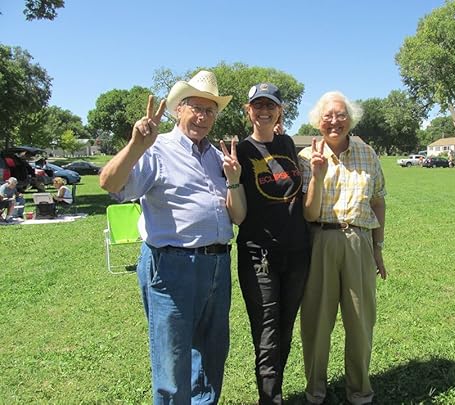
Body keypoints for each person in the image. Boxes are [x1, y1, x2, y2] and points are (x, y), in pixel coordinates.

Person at [99, 70, 240, 405]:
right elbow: (110, 183)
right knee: (172, 360)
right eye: (196, 108)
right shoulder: (156, 149)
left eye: (210, 110)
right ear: (179, 109)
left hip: (217, 265)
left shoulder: (216, 157)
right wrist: (136, 145)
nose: (203, 117)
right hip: (172, 265)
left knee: (211, 356)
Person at [220, 83, 310, 404]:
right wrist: (233, 179)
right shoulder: (241, 152)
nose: (264, 111)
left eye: (270, 105)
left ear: (280, 111)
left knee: (285, 327)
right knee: (268, 331)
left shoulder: (287, 143)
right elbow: (239, 216)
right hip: (259, 254)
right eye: (257, 105)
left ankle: (274, 392)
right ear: (248, 111)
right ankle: (269, 398)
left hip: (298, 252)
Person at [298, 91, 387, 405]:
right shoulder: (306, 157)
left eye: (340, 115)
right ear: (318, 121)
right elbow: (309, 214)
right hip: (320, 240)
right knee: (316, 322)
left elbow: (378, 202)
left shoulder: (368, 153)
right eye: (328, 115)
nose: (334, 121)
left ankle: (359, 390)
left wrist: (378, 248)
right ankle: (315, 390)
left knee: (361, 321)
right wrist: (317, 176)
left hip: (359, 242)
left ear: (350, 119)